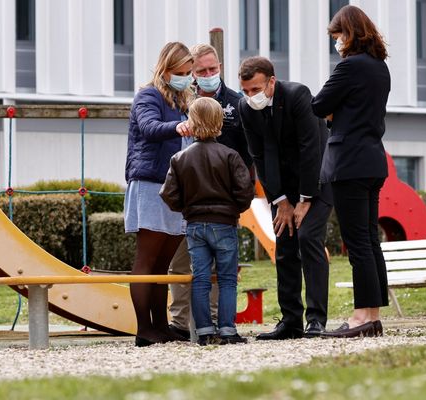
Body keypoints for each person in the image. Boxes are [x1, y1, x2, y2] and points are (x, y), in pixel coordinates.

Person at [238, 56, 333, 340]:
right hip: (285, 190)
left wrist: (304, 200)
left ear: (271, 82)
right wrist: (281, 202)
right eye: (246, 91)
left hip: (319, 179)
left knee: (308, 238)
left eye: (256, 89)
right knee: (285, 245)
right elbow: (259, 157)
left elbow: (311, 148)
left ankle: (316, 320)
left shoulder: (297, 95)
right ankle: (291, 321)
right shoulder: (246, 108)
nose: (251, 97)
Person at [311, 5, 390, 338]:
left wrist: (334, 113)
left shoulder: (349, 67)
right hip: (373, 159)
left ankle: (360, 317)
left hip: (348, 163)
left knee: (357, 242)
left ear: (349, 33)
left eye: (338, 35)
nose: (337, 42)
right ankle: (372, 315)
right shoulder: (380, 68)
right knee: (370, 240)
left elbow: (318, 105)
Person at [167, 43, 253, 340]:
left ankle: (204, 330)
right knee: (226, 276)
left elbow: (170, 191)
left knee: (202, 276)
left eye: (212, 69)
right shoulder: (179, 100)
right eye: (201, 71)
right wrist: (236, 206)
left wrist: (186, 207)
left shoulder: (237, 104)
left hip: (195, 219)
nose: (207, 75)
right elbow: (244, 186)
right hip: (222, 217)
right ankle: (221, 328)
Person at [124, 41, 195, 347]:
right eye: (180, 72)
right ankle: (144, 328)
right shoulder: (148, 95)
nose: (186, 77)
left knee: (162, 265)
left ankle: (160, 326)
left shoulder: (183, 99)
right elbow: (149, 127)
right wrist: (179, 127)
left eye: (188, 72)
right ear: (165, 70)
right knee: (147, 261)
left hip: (174, 186)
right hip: (151, 184)